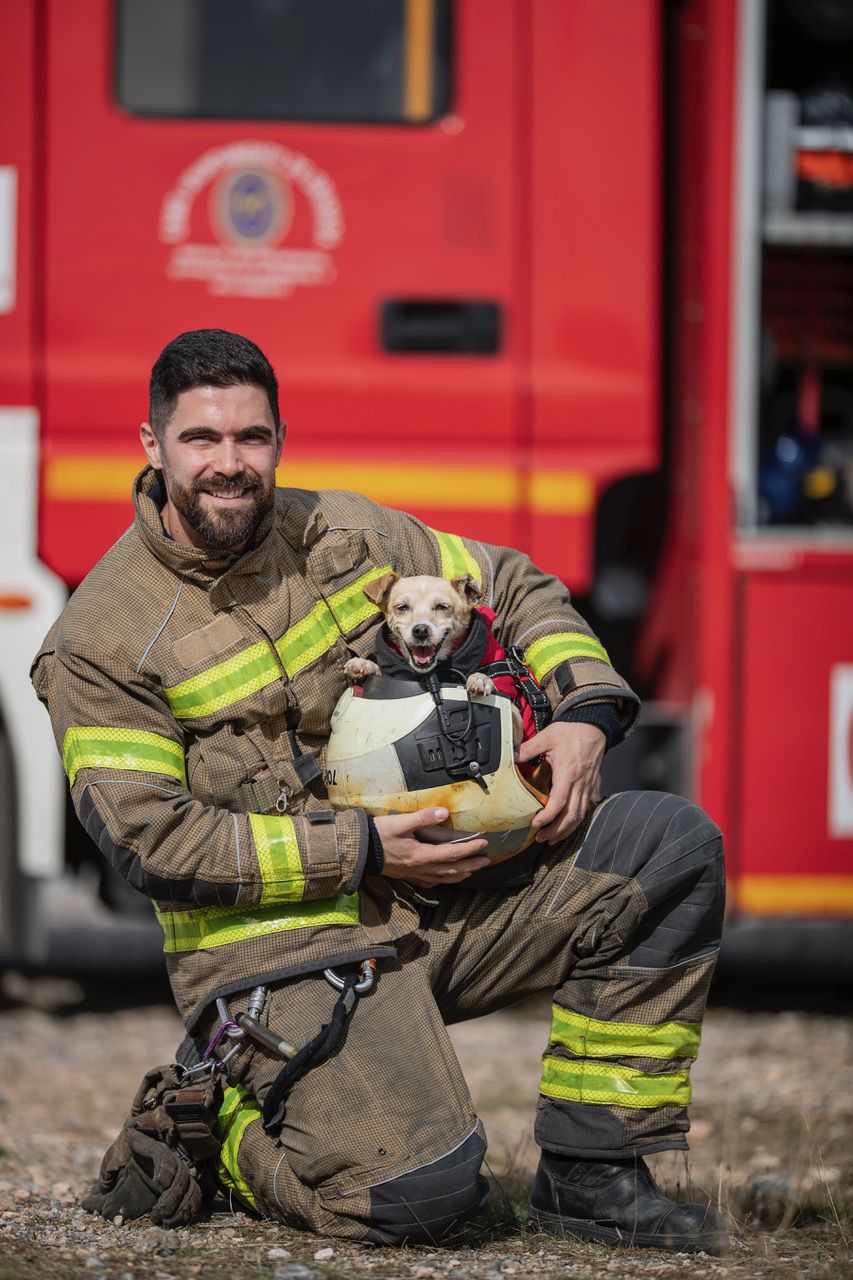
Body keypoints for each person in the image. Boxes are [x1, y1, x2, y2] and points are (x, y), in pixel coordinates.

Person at [32, 329, 726, 1252]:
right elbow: (149, 842)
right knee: (420, 1200)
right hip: (276, 956)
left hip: (435, 899)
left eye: (253, 439)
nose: (230, 465)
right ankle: (215, 1129)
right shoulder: (102, 637)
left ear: (279, 439)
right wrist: (361, 848)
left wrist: (585, 713)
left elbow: (510, 583)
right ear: (153, 447)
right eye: (202, 440)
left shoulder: (343, 532)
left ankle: (595, 1176)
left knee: (665, 848)